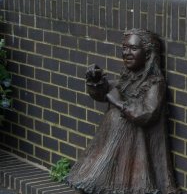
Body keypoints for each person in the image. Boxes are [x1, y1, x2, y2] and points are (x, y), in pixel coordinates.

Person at [67, 28, 178, 194]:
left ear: (148, 54)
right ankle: (98, 178)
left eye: (133, 49)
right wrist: (95, 81)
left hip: (140, 144)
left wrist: (119, 103)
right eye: (124, 48)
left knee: (117, 117)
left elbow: (146, 114)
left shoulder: (155, 83)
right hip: (122, 144)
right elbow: (106, 91)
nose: (127, 53)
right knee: (115, 118)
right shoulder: (128, 78)